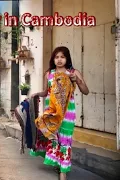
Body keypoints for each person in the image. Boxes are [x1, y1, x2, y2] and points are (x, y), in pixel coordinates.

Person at [30, 46, 89, 180]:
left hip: (67, 112)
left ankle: (63, 170)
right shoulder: (49, 73)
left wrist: (77, 80)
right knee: (53, 137)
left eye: (62, 57)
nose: (59, 60)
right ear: (53, 59)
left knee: (65, 139)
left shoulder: (73, 72)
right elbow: (46, 92)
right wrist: (37, 94)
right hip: (51, 111)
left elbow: (86, 91)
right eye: (56, 57)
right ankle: (57, 162)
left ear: (67, 58)